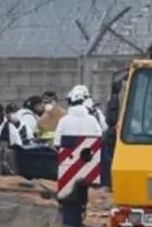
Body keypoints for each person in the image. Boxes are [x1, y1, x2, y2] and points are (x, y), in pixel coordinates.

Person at [56, 85, 105, 227]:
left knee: (68, 197)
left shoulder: (64, 121)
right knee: (83, 193)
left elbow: (57, 142)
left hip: (67, 165)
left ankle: (71, 221)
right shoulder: (92, 120)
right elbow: (100, 137)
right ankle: (80, 218)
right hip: (88, 164)